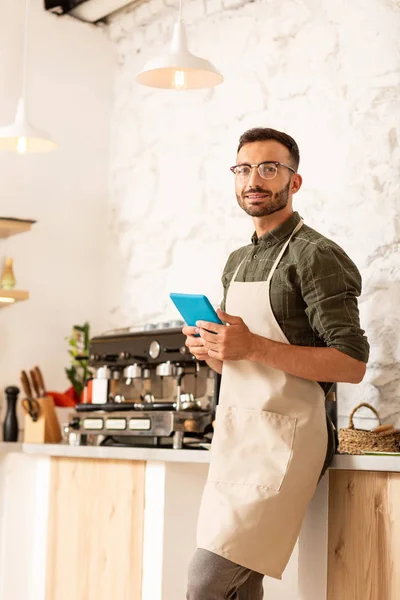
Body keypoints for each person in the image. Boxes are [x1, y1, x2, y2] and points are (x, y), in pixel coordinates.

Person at [183, 127, 369, 600]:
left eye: (270, 168)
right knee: (243, 587)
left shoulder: (317, 255)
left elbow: (350, 363)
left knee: (206, 582)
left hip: (290, 440)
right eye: (244, 169)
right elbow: (242, 365)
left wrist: (251, 348)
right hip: (240, 437)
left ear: (295, 181)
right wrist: (214, 351)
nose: (254, 180)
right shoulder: (237, 261)